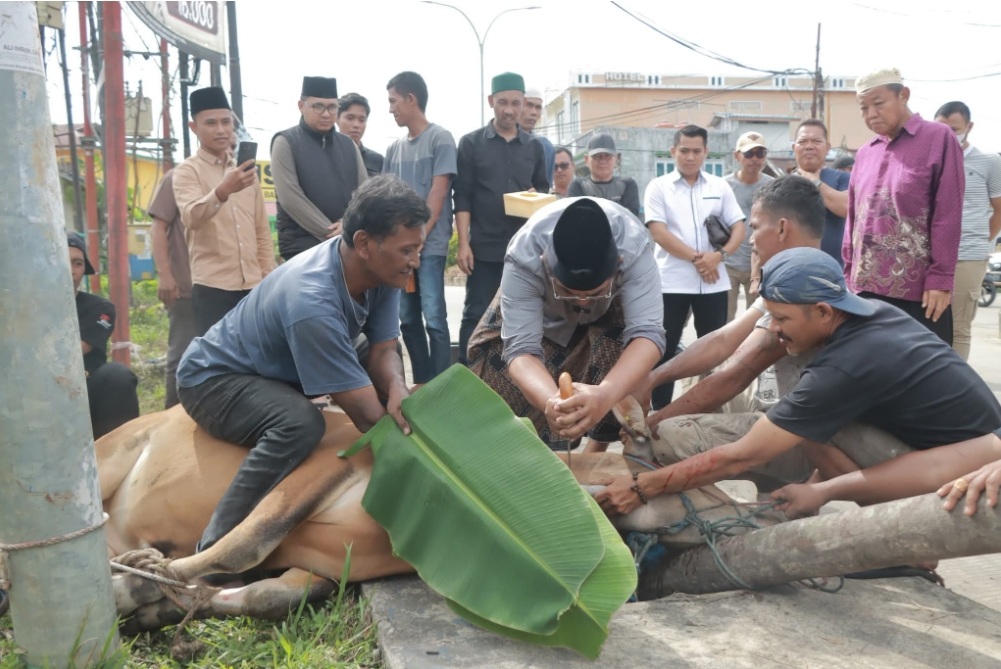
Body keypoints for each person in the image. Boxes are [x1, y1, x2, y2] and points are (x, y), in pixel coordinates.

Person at [595, 246, 1001, 518]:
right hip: (943, 443)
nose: (773, 328)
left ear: (823, 312)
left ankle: (905, 535)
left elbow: (740, 457)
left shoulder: (848, 363)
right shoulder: (868, 314)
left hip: (970, 462)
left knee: (785, 429)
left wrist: (642, 487)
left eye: (782, 319)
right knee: (800, 424)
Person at [176, 175, 428, 552]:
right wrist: (422, 459)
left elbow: (382, 351)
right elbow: (367, 417)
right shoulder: (311, 300)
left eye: (418, 248)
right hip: (216, 379)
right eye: (407, 250)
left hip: (282, 364)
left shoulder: (384, 271)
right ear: (364, 244)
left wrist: (396, 387)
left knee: (385, 382)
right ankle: (217, 549)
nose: (415, 261)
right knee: (299, 425)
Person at [642, 177, 833, 485]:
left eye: (755, 228)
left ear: (782, 229)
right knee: (700, 372)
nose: (751, 240)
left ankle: (777, 491)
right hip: (778, 409)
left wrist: (649, 425)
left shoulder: (806, 286)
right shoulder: (794, 273)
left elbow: (735, 375)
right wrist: (654, 377)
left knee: (666, 435)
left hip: (800, 438)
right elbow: (723, 340)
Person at [468, 197, 665, 451]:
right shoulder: (524, 255)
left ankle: (593, 457)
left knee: (629, 379)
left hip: (610, 315)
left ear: (618, 263)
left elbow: (648, 335)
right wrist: (553, 402)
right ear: (546, 263)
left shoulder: (634, 247)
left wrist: (604, 395)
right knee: (500, 399)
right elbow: (521, 349)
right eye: (568, 292)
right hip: (544, 320)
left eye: (594, 292)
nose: (583, 302)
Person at [844, 67, 964, 345]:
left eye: (878, 103)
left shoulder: (938, 138)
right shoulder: (865, 153)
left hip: (918, 294)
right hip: (864, 293)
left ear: (903, 95)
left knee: (923, 368)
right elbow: (853, 218)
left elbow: (948, 213)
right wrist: (848, 274)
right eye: (863, 108)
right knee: (871, 367)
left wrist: (941, 278)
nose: (871, 114)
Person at [644, 124, 745, 410]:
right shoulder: (658, 187)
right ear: (673, 151)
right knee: (663, 349)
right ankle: (659, 413)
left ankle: (707, 410)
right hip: (671, 283)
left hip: (714, 282)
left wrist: (719, 256)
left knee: (714, 352)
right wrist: (699, 259)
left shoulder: (719, 186)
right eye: (684, 151)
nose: (690, 157)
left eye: (696, 151)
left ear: (706, 152)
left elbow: (739, 227)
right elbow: (658, 232)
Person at [454, 71, 549, 365]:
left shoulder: (534, 147)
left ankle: (511, 377)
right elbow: (463, 196)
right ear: (491, 101)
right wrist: (463, 244)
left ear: (523, 104)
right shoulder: (471, 144)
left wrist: (535, 194)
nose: (509, 110)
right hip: (483, 248)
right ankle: (467, 375)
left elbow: (543, 191)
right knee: (475, 313)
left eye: (516, 103)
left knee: (521, 315)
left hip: (523, 251)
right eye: (503, 102)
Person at [174, 87, 276, 335]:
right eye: (211, 123)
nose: (220, 129)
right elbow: (191, 217)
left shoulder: (246, 172)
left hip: (254, 285)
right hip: (213, 287)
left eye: (226, 122)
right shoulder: (187, 171)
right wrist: (222, 191)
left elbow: (261, 232)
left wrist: (268, 278)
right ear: (193, 127)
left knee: (257, 351)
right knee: (218, 356)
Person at [385, 71, 457, 383]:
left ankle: (442, 385)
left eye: (393, 101)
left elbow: (438, 193)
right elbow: (387, 197)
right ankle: (423, 383)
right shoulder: (394, 150)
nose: (390, 109)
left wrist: (420, 237)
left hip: (430, 246)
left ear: (411, 99)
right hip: (400, 250)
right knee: (407, 318)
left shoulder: (441, 139)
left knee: (435, 318)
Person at [272, 76, 367, 261]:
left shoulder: (348, 145)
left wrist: (346, 224)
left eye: (332, 107)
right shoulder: (285, 142)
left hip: (345, 246)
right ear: (301, 106)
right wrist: (330, 233)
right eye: (318, 106)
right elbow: (290, 197)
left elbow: (365, 193)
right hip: (302, 248)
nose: (325, 114)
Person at [934, 101, 1001, 360]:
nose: (948, 135)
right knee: (929, 325)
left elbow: (999, 209)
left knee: (959, 328)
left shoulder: (988, 162)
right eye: (941, 129)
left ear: (969, 127)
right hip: (932, 257)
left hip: (968, 256)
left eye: (954, 129)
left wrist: (983, 241)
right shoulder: (931, 160)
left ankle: (954, 383)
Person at [67, 233, 139, 439]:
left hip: (85, 386)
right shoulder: (26, 308)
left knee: (117, 375)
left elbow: (78, 349)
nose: (71, 270)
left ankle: (119, 447)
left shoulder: (100, 308)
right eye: (64, 261)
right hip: (36, 387)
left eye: (77, 263)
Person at [148, 169, 198, 409]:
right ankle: (171, 417)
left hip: (225, 288)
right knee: (182, 357)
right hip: (187, 288)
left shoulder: (238, 176)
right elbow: (158, 227)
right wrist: (165, 275)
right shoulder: (178, 177)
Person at [723, 131, 773, 321]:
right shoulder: (723, 186)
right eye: (749, 153)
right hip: (727, 265)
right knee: (725, 320)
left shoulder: (772, 187)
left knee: (757, 321)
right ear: (737, 155)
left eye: (760, 153)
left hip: (761, 266)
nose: (755, 159)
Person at [790, 119, 850, 267]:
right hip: (793, 267)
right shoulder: (783, 183)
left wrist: (815, 182)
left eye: (816, 141)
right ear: (794, 147)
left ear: (827, 147)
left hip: (835, 268)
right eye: (802, 142)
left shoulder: (842, 178)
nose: (809, 146)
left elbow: (847, 207)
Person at [567, 133, 640, 218]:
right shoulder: (578, 186)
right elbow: (577, 218)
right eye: (596, 156)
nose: (602, 161)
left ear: (616, 159)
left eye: (607, 156)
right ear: (586, 159)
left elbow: (630, 219)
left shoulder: (627, 185)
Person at [337, 92, 384, 177]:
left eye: (362, 120)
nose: (356, 125)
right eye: (350, 118)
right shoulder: (325, 155)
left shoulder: (377, 160)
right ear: (337, 119)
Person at [521, 87, 555, 185]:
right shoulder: (499, 141)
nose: (534, 113)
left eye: (538, 108)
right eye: (529, 105)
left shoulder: (545, 146)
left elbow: (545, 187)